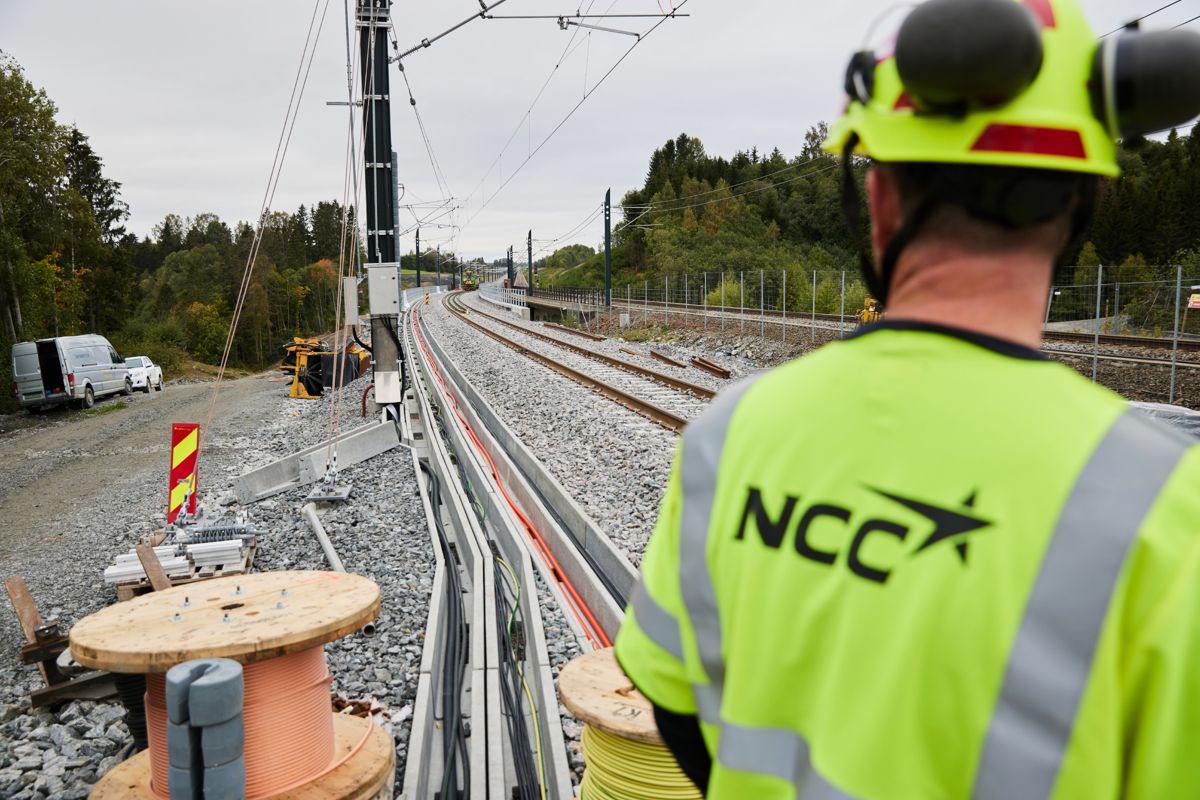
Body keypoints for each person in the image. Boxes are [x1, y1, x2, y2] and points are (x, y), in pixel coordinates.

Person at [613, 0, 1200, 797]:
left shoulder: (731, 434)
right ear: (1078, 205)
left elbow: (676, 705)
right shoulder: (1170, 514)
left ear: (880, 201)